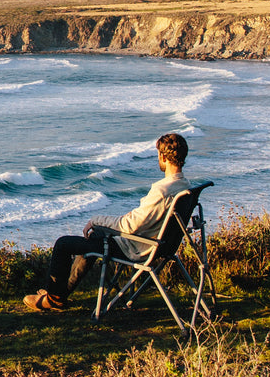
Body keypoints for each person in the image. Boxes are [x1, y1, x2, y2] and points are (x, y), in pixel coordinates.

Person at [23, 133, 190, 312]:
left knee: (63, 244)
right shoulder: (184, 186)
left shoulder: (162, 190)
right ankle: (57, 295)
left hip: (136, 248)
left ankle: (54, 299)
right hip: (159, 245)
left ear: (162, 156)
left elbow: (130, 225)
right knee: (93, 240)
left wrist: (96, 220)